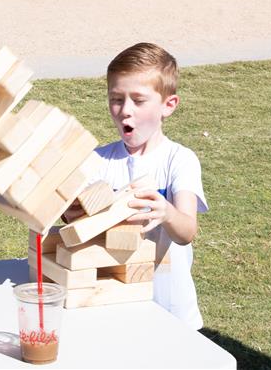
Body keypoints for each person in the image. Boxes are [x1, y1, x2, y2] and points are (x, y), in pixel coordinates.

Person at [86, 42, 206, 328]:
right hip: (112, 305)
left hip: (172, 311)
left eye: (138, 101)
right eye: (116, 98)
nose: (125, 110)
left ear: (168, 105)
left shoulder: (179, 160)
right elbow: (74, 223)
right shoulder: (96, 160)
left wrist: (166, 212)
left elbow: (187, 232)